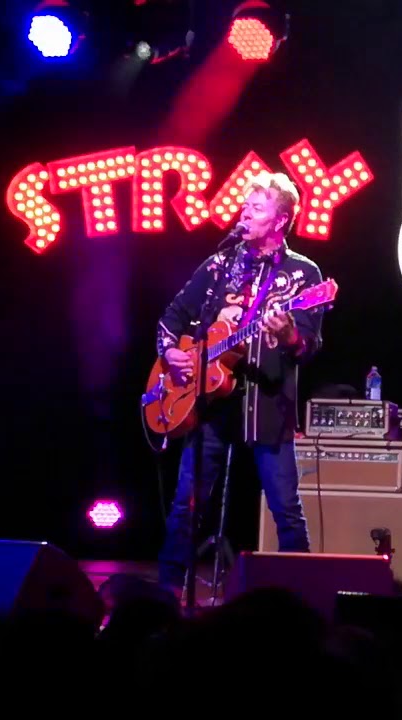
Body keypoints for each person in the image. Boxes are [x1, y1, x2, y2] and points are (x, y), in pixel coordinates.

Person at [155, 172, 325, 595]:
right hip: (210, 402)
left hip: (267, 404)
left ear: (280, 220)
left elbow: (307, 347)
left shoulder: (303, 274)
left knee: (286, 509)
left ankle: (302, 599)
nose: (245, 213)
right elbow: (172, 316)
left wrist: (289, 334)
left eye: (257, 208)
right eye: (245, 206)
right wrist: (171, 353)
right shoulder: (219, 264)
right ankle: (167, 593)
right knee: (187, 503)